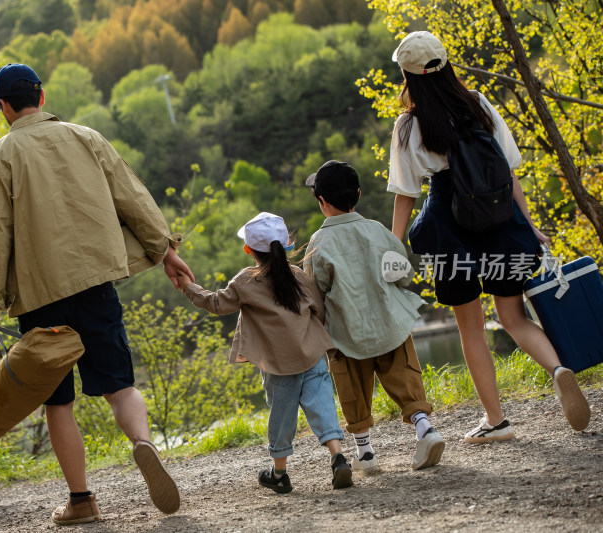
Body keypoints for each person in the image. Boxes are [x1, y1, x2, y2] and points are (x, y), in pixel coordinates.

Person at [0, 63, 195, 525]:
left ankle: (81, 501)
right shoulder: (86, 137)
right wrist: (165, 250)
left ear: (3, 106)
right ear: (43, 96)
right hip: (96, 284)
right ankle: (142, 442)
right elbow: (131, 196)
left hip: (39, 298)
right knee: (120, 385)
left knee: (58, 401)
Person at [386, 31, 590, 442]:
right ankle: (557, 369)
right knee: (513, 317)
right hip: (500, 222)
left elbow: (406, 194)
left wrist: (394, 245)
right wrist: (528, 224)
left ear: (408, 76)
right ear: (447, 65)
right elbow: (508, 170)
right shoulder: (478, 104)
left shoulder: (408, 125)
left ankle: (496, 421)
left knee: (471, 327)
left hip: (450, 230)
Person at [176, 212, 353, 493]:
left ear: (249, 250)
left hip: (276, 363)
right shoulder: (299, 276)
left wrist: (188, 287)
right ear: (287, 245)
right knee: (322, 406)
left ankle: (280, 474)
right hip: (311, 355)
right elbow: (318, 309)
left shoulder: (245, 282)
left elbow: (216, 303)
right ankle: (338, 457)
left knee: (281, 416)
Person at [303, 160, 444, 473]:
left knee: (351, 387)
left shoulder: (318, 243)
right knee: (404, 375)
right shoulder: (378, 231)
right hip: (389, 324)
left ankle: (365, 452)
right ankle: (425, 428)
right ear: (359, 194)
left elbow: (315, 293)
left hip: (346, 333)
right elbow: (403, 273)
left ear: (322, 202)